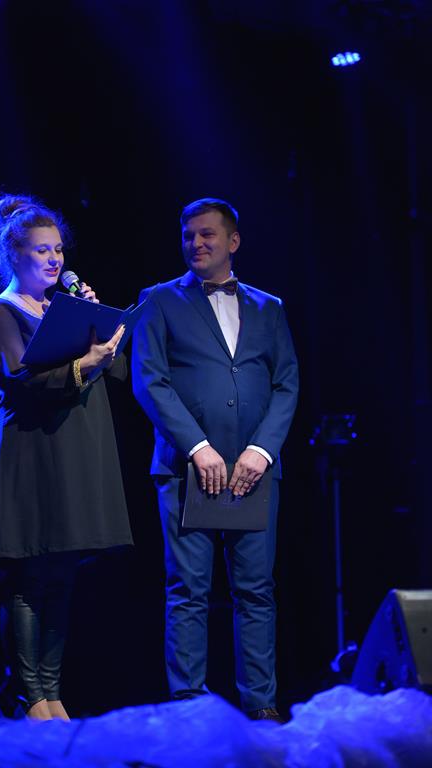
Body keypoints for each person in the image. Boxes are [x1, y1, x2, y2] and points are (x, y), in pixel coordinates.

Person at [131, 197, 298, 721]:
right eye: (188, 235)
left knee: (256, 591)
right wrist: (198, 447)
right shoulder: (159, 300)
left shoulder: (269, 307)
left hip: (254, 470)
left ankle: (262, 705)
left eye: (207, 234)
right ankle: (188, 709)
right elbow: (149, 381)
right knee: (188, 590)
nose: (196, 243)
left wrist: (262, 450)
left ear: (233, 241)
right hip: (187, 468)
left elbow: (286, 383)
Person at [0, 193, 133, 720]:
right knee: (29, 576)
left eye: (58, 249)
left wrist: (98, 329)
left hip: (68, 455)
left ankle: (52, 691)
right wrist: (85, 361)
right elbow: (24, 379)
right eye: (42, 250)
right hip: (25, 457)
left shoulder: (63, 309)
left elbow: (115, 372)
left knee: (61, 573)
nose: (54, 259)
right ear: (13, 255)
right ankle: (31, 696)